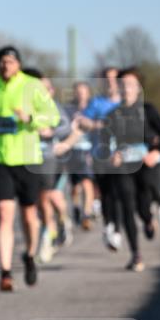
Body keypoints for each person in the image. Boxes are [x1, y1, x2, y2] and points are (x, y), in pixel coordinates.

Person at [0, 46, 59, 291]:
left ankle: (30, 254)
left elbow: (53, 116)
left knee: (28, 216)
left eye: (11, 62)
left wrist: (30, 119)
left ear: (18, 64)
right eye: (2, 62)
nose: (6, 66)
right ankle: (5, 272)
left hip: (27, 159)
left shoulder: (32, 85)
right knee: (5, 214)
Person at [98, 68, 160, 272]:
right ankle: (136, 254)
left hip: (146, 165)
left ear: (138, 88)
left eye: (131, 84)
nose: (126, 88)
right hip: (124, 168)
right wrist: (112, 155)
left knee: (142, 206)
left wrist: (156, 152)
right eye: (123, 85)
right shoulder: (112, 114)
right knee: (127, 205)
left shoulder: (149, 110)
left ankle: (148, 219)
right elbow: (105, 142)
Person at [25, 72, 73, 263]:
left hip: (50, 158)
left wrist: (51, 130)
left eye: (46, 88)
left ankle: (48, 238)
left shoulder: (55, 107)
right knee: (39, 202)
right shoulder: (27, 106)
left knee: (49, 197)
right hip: (29, 158)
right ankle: (55, 227)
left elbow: (66, 126)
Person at [82, 67, 122, 251]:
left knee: (120, 193)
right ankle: (109, 226)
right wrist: (97, 124)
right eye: (107, 78)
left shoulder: (125, 101)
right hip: (101, 155)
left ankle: (118, 229)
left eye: (114, 78)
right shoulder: (97, 103)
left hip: (122, 156)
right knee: (106, 194)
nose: (111, 82)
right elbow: (83, 121)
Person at [65, 81, 96, 230]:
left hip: (88, 150)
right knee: (75, 186)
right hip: (72, 151)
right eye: (78, 91)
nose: (81, 94)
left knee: (87, 183)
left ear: (88, 93)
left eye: (83, 91)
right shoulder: (68, 110)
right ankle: (77, 207)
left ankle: (86, 214)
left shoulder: (93, 108)